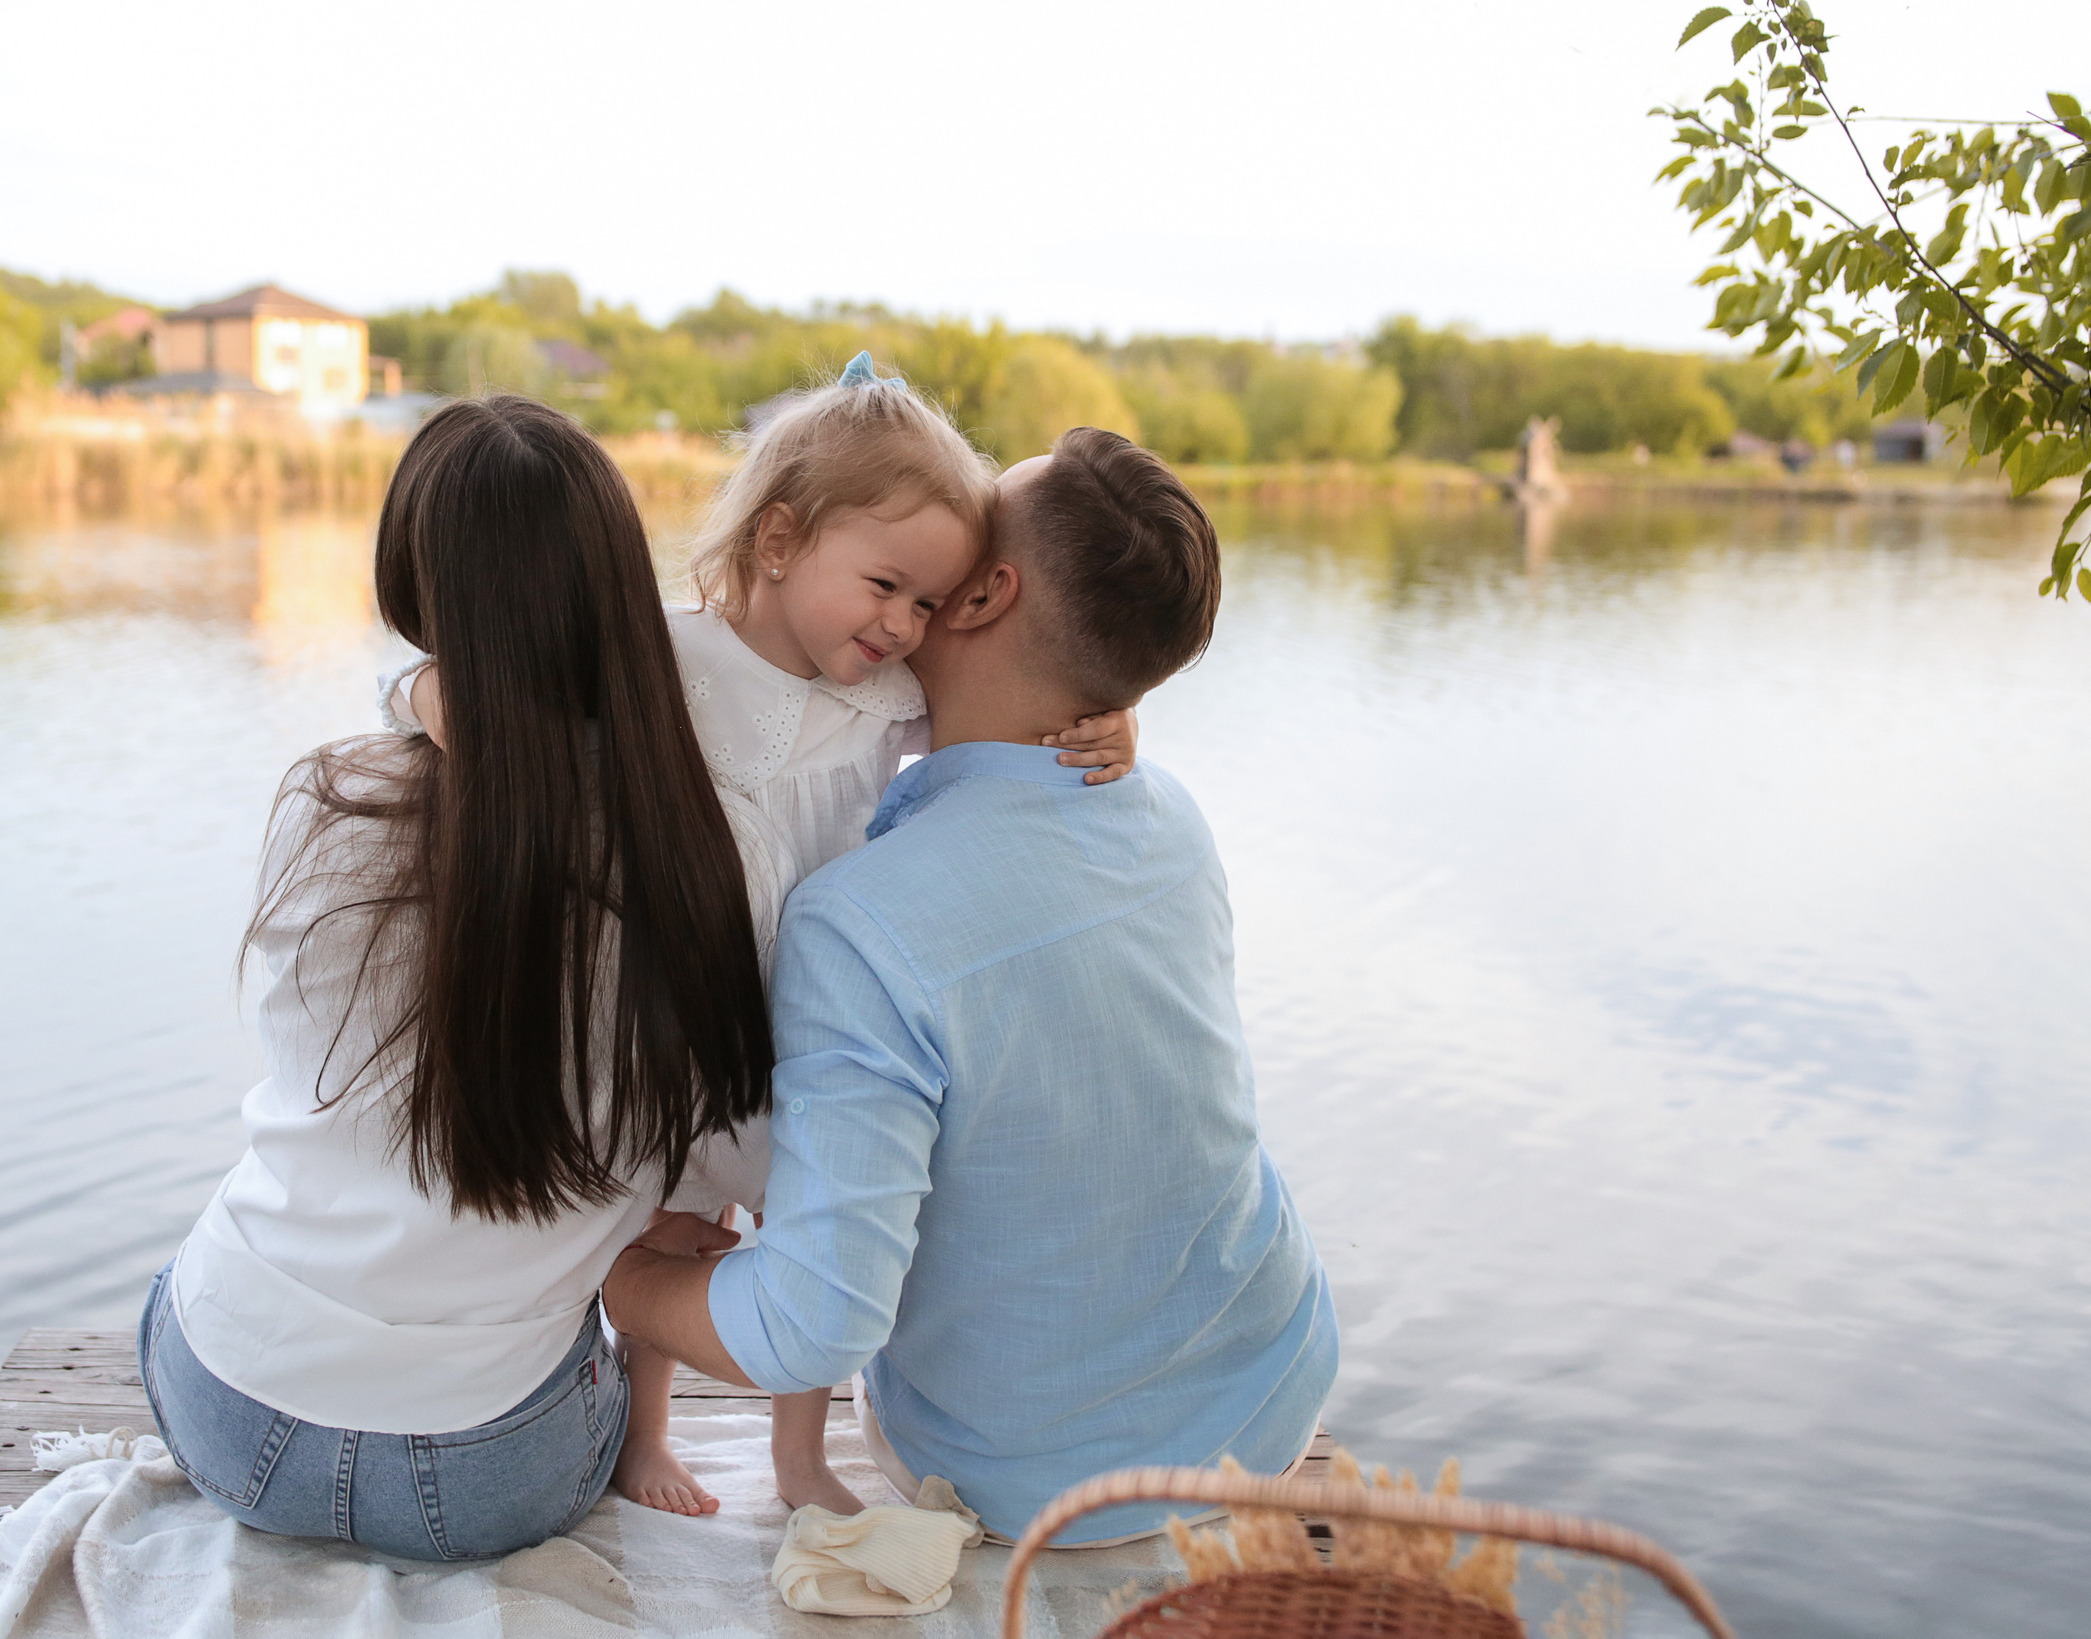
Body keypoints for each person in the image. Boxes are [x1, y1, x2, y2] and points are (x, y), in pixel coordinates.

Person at [391, 355, 1139, 1520]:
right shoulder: (660, 660)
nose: (902, 625)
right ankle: (646, 1430)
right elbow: (493, 690)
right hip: (678, 996)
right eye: (885, 585)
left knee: (811, 1212)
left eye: (929, 606)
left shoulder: (891, 696)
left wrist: (1117, 715)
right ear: (780, 539)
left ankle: (801, 1451)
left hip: (824, 1012)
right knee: (669, 1213)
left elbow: (1032, 699)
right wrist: (429, 703)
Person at [604, 427, 1340, 1547]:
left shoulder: (863, 924)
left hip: (1039, 1477)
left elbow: (814, 1323)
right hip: (1277, 1378)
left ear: (987, 590)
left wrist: (622, 1282)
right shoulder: (1173, 820)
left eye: (979, 523)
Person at [138, 396, 785, 1562]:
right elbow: (741, 1164)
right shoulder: (703, 857)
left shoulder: (321, 800)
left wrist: (414, 699)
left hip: (225, 1404)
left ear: (411, 586)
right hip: (484, 1473)